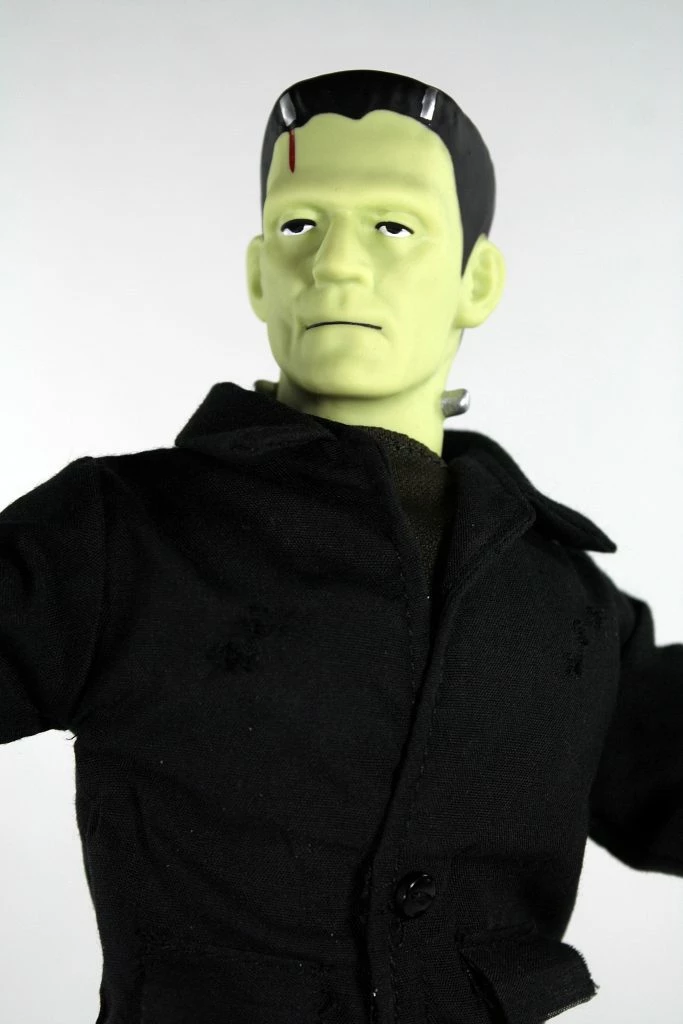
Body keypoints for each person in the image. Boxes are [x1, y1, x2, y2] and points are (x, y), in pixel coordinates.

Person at [1, 68, 680, 1024]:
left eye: (393, 227)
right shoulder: (125, 536)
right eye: (298, 226)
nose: (335, 265)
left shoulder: (564, 600)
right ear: (257, 273)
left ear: (476, 280)